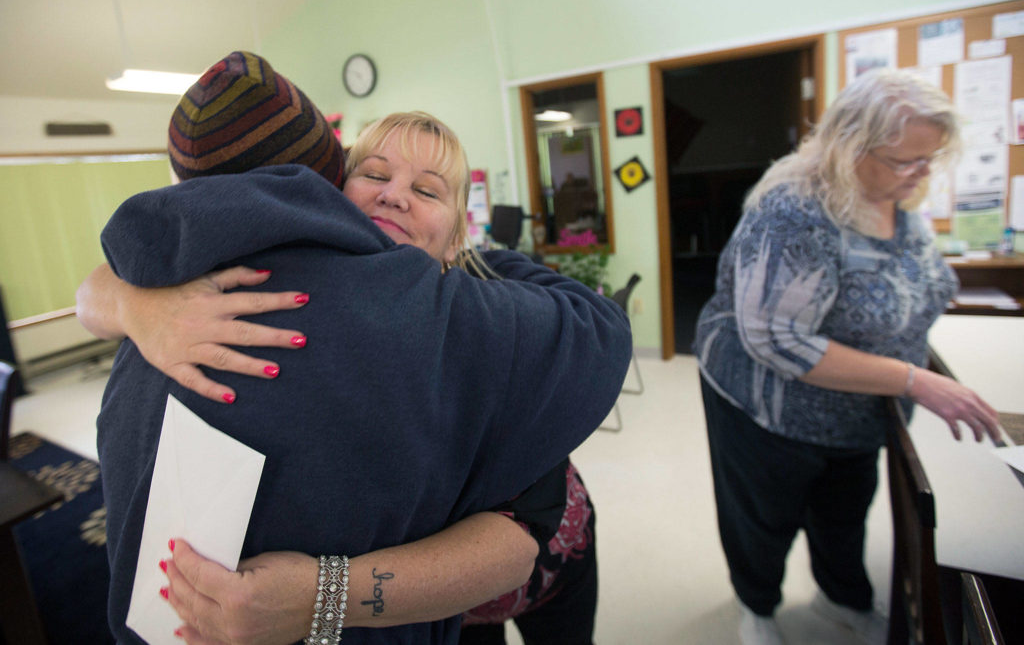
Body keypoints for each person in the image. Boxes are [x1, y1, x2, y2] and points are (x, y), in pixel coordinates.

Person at [80, 52, 629, 645]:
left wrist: (323, 596)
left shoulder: (485, 320)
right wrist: (133, 305)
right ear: (331, 190)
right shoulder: (229, 286)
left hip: (545, 569)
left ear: (456, 233)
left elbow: (519, 544)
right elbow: (93, 289)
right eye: (374, 174)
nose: (395, 196)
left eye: (426, 189)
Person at [692, 69, 1002, 645]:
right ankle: (756, 606)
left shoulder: (894, 192)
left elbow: (917, 277)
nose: (921, 173)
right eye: (907, 160)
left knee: (844, 512)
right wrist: (914, 380)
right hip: (769, 405)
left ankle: (843, 596)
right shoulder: (795, 211)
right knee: (764, 516)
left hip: (860, 408)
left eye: (930, 159)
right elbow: (777, 338)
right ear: (850, 146)